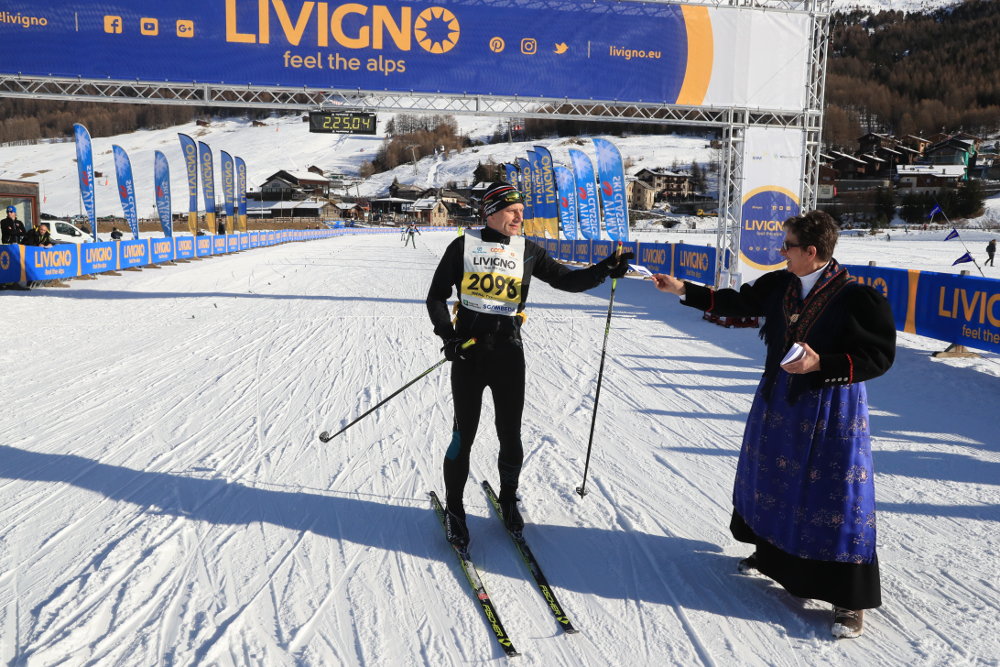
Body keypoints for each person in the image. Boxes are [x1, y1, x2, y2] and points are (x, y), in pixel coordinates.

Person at [651, 210, 895, 639]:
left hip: (830, 407)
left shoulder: (858, 298)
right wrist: (682, 289)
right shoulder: (780, 285)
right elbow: (737, 302)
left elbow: (879, 357)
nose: (781, 252)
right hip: (781, 401)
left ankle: (848, 599)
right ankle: (773, 556)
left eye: (788, 246)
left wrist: (825, 362)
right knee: (774, 480)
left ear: (812, 252)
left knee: (835, 496)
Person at [426, 181, 633, 549]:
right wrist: (449, 337)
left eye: (521, 210)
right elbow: (436, 296)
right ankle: (455, 509)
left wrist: (603, 269)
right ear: (490, 213)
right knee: (464, 435)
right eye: (511, 210)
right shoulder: (463, 247)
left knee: (511, 434)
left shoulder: (527, 250)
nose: (520, 215)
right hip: (469, 355)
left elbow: (566, 280)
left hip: (508, 353)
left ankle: (508, 497)